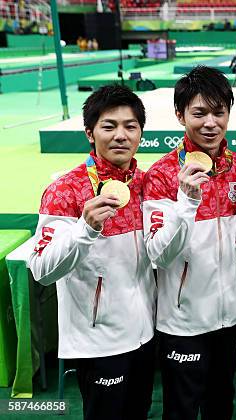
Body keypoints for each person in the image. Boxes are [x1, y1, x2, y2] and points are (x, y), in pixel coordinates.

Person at [28, 85, 156, 420]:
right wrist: (85, 230)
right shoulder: (64, 190)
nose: (121, 135)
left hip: (145, 335)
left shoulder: (147, 184)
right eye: (109, 126)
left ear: (141, 132)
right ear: (90, 133)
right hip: (98, 341)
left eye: (130, 126)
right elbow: (41, 268)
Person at [142, 66, 236, 420]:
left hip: (231, 316)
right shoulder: (160, 175)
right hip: (183, 322)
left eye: (219, 113)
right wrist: (186, 200)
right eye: (199, 113)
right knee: (182, 409)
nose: (210, 123)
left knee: (221, 404)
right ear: (180, 115)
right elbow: (159, 253)